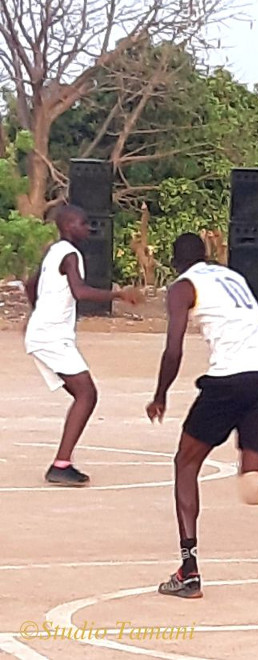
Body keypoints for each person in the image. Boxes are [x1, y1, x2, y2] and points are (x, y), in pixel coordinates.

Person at [146, 234, 258, 598]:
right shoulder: (233, 278)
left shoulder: (182, 287)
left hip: (231, 381)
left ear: (176, 262)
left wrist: (160, 395)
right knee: (250, 485)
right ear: (207, 255)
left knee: (185, 463)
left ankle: (189, 571)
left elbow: (173, 349)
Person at [23, 205, 143, 485]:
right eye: (83, 223)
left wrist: (36, 315)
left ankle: (62, 463)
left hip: (45, 332)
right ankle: (61, 465)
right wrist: (119, 294)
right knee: (87, 394)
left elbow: (30, 285)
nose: (88, 228)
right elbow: (80, 291)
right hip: (51, 335)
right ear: (67, 226)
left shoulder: (53, 251)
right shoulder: (69, 254)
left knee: (83, 394)